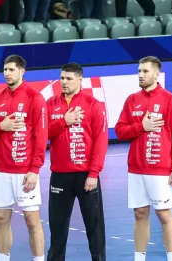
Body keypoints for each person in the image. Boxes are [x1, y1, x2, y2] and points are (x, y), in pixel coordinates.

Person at [115, 56, 172, 261]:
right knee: (140, 214)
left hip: (160, 169)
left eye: (145, 71)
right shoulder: (132, 100)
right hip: (136, 168)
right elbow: (120, 131)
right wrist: (141, 127)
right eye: (139, 71)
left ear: (156, 73)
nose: (141, 75)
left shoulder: (170, 100)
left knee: (165, 215)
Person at [45, 62, 108, 261]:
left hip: (86, 176)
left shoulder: (93, 105)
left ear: (80, 79)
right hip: (60, 176)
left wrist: (93, 174)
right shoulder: (50, 104)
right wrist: (64, 121)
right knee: (57, 227)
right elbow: (42, 134)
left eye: (69, 78)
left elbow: (101, 140)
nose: (64, 82)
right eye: (62, 78)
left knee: (94, 226)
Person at [0, 55, 48, 261]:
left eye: (11, 69)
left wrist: (34, 169)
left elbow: (41, 137)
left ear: (22, 71)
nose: (7, 73)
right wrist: (0, 126)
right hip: (2, 170)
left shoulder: (35, 98)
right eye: (5, 69)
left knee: (32, 220)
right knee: (1, 218)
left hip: (25, 171)